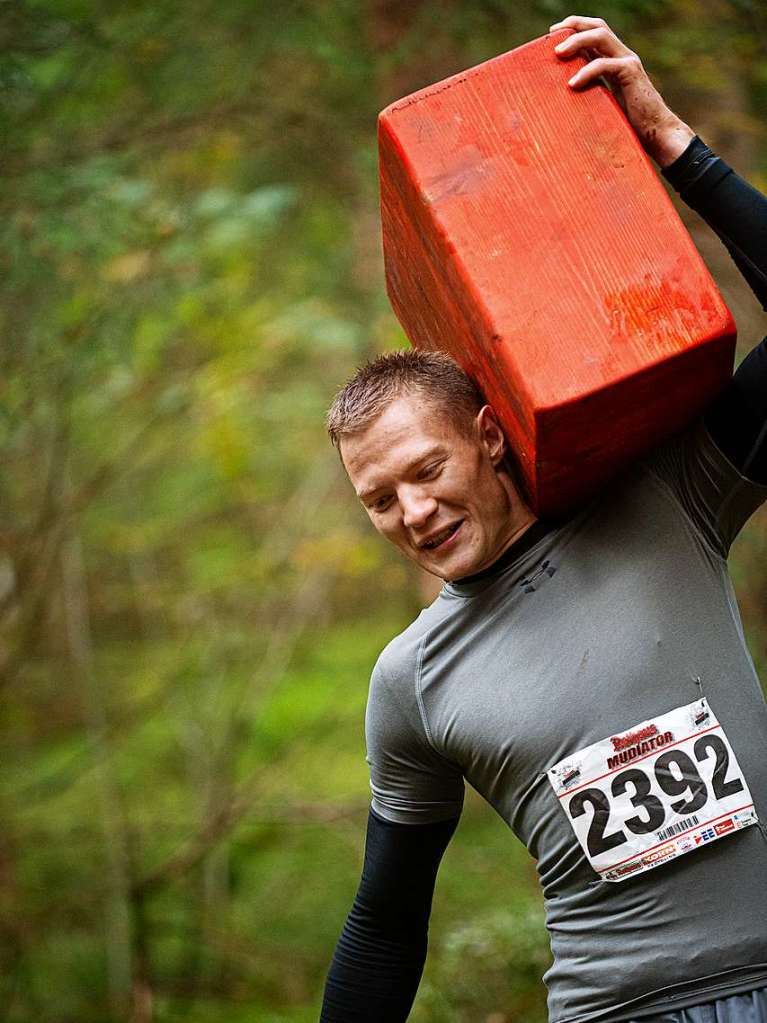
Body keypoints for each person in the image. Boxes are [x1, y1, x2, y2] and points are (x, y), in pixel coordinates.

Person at [320, 15, 767, 1023]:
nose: (412, 511)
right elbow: (385, 921)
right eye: (378, 499)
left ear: (486, 433)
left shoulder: (669, 500)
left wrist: (673, 152)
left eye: (424, 470)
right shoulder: (410, 682)